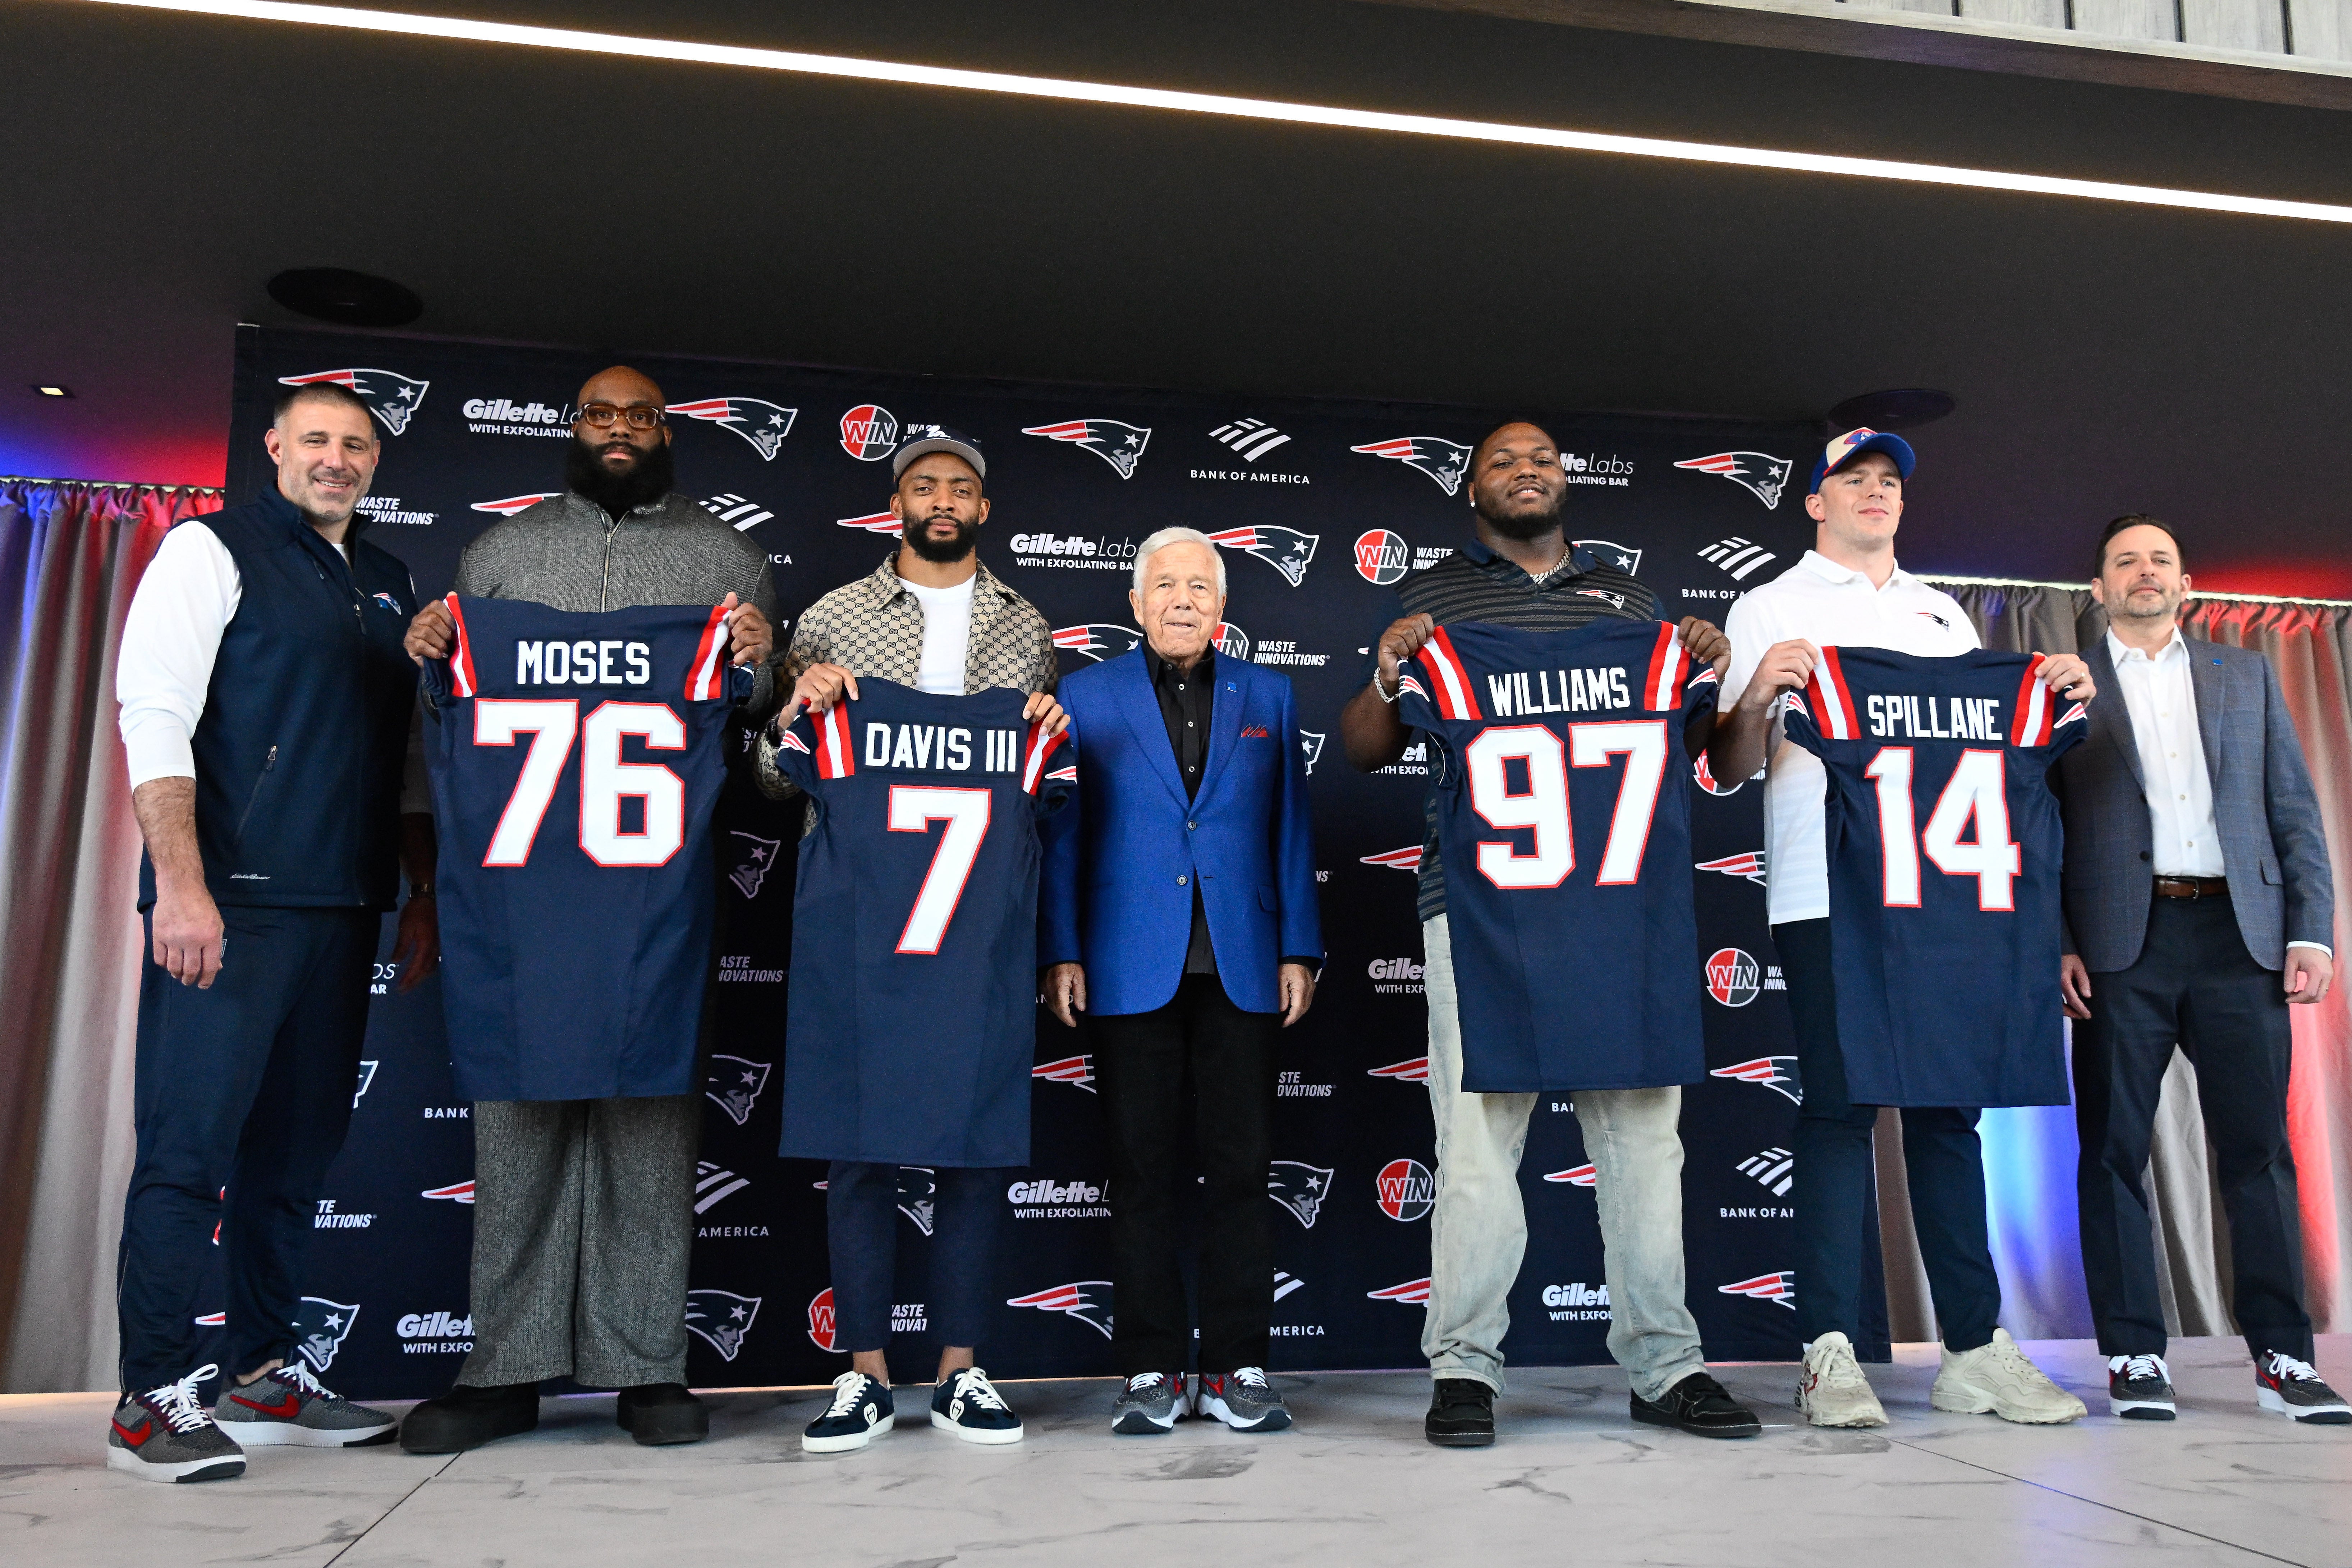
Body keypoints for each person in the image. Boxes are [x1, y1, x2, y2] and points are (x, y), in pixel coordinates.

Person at [1338, 421, 1759, 1447]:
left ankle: (1666, 1363)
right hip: (1481, 910)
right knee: (1479, 1148)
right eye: (1501, 462)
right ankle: (1466, 1368)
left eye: (1541, 459)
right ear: (1471, 489)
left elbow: (1717, 760)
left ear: (1565, 479)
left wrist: (1720, 670)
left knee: (1643, 1144)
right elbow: (1359, 748)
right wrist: (1393, 670)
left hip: (1624, 910)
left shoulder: (1636, 605)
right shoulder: (1433, 603)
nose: (1526, 472)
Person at [396, 366, 778, 1453]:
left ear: (667, 433)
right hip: (517, 888)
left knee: (649, 1122)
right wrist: (432, 652)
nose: (620, 432)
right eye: (601, 416)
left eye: (641, 418)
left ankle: (643, 1363)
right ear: (575, 429)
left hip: (652, 884)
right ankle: (504, 1366)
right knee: (517, 1123)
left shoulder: (725, 557)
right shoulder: (500, 556)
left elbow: (759, 721)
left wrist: (757, 665)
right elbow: (447, 720)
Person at [1713, 428, 2095, 1427]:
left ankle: (1972, 1345)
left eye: (1889, 482)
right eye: (1855, 479)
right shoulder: (1768, 605)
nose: (1875, 494)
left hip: (1943, 894)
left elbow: (1990, 756)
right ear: (1815, 502)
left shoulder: (1942, 617)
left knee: (1946, 1113)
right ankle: (1828, 1349)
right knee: (1839, 1109)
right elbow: (1729, 764)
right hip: (1824, 889)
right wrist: (1760, 692)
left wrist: (2049, 698)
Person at [109, 381, 436, 1481]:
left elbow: (398, 761)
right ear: (275, 447)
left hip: (344, 909)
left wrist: (419, 889)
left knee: (294, 1159)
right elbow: (153, 708)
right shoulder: (212, 549)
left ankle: (262, 1369)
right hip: (231, 906)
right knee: (187, 1154)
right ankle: (148, 1399)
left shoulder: (387, 583)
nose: (335, 459)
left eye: (355, 444)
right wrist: (181, 885)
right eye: (316, 441)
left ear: (375, 462)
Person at [750, 426, 1065, 1452]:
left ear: (984, 508)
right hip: (856, 907)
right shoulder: (833, 615)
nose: (942, 498)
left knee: (976, 1144)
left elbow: (1041, 788)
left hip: (976, 910)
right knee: (858, 1144)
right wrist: (798, 704)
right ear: (897, 502)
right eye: (923, 483)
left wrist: (1044, 722)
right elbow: (770, 774)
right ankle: (866, 1374)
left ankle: (965, 1370)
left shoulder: (1028, 624)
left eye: (960, 487)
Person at [2058, 515, 2345, 1424]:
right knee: (2109, 1155)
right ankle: (2134, 1353)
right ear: (2096, 588)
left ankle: (2283, 1360)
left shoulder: (2243, 675)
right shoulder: (2062, 686)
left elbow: (2292, 809)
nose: (2144, 574)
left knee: (2258, 1155)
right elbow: (2037, 826)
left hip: (2239, 938)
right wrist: (2053, 942)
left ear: (2185, 583)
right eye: (2124, 562)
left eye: (2160, 561)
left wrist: (2313, 931)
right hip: (2117, 947)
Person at [1040, 528, 1323, 1436]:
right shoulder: (1084, 696)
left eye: (1199, 586)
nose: (1182, 600)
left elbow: (1289, 832)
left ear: (1222, 606)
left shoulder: (1268, 695)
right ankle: (1151, 1371)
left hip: (1241, 967)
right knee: (1140, 1175)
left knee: (1241, 1173)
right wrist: (1063, 950)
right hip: (1127, 967)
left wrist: (1299, 950)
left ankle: (1238, 1367)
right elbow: (1065, 836)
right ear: (1134, 603)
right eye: (1164, 584)